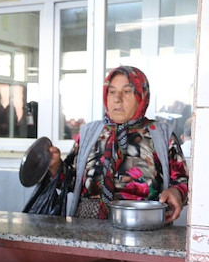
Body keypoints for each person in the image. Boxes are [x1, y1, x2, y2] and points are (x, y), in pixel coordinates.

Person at [47, 66, 188, 223]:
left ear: (141, 95)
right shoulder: (89, 133)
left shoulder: (161, 135)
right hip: (88, 226)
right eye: (112, 91)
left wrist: (177, 191)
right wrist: (55, 166)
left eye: (127, 91)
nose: (117, 98)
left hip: (144, 224)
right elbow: (70, 182)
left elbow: (182, 180)